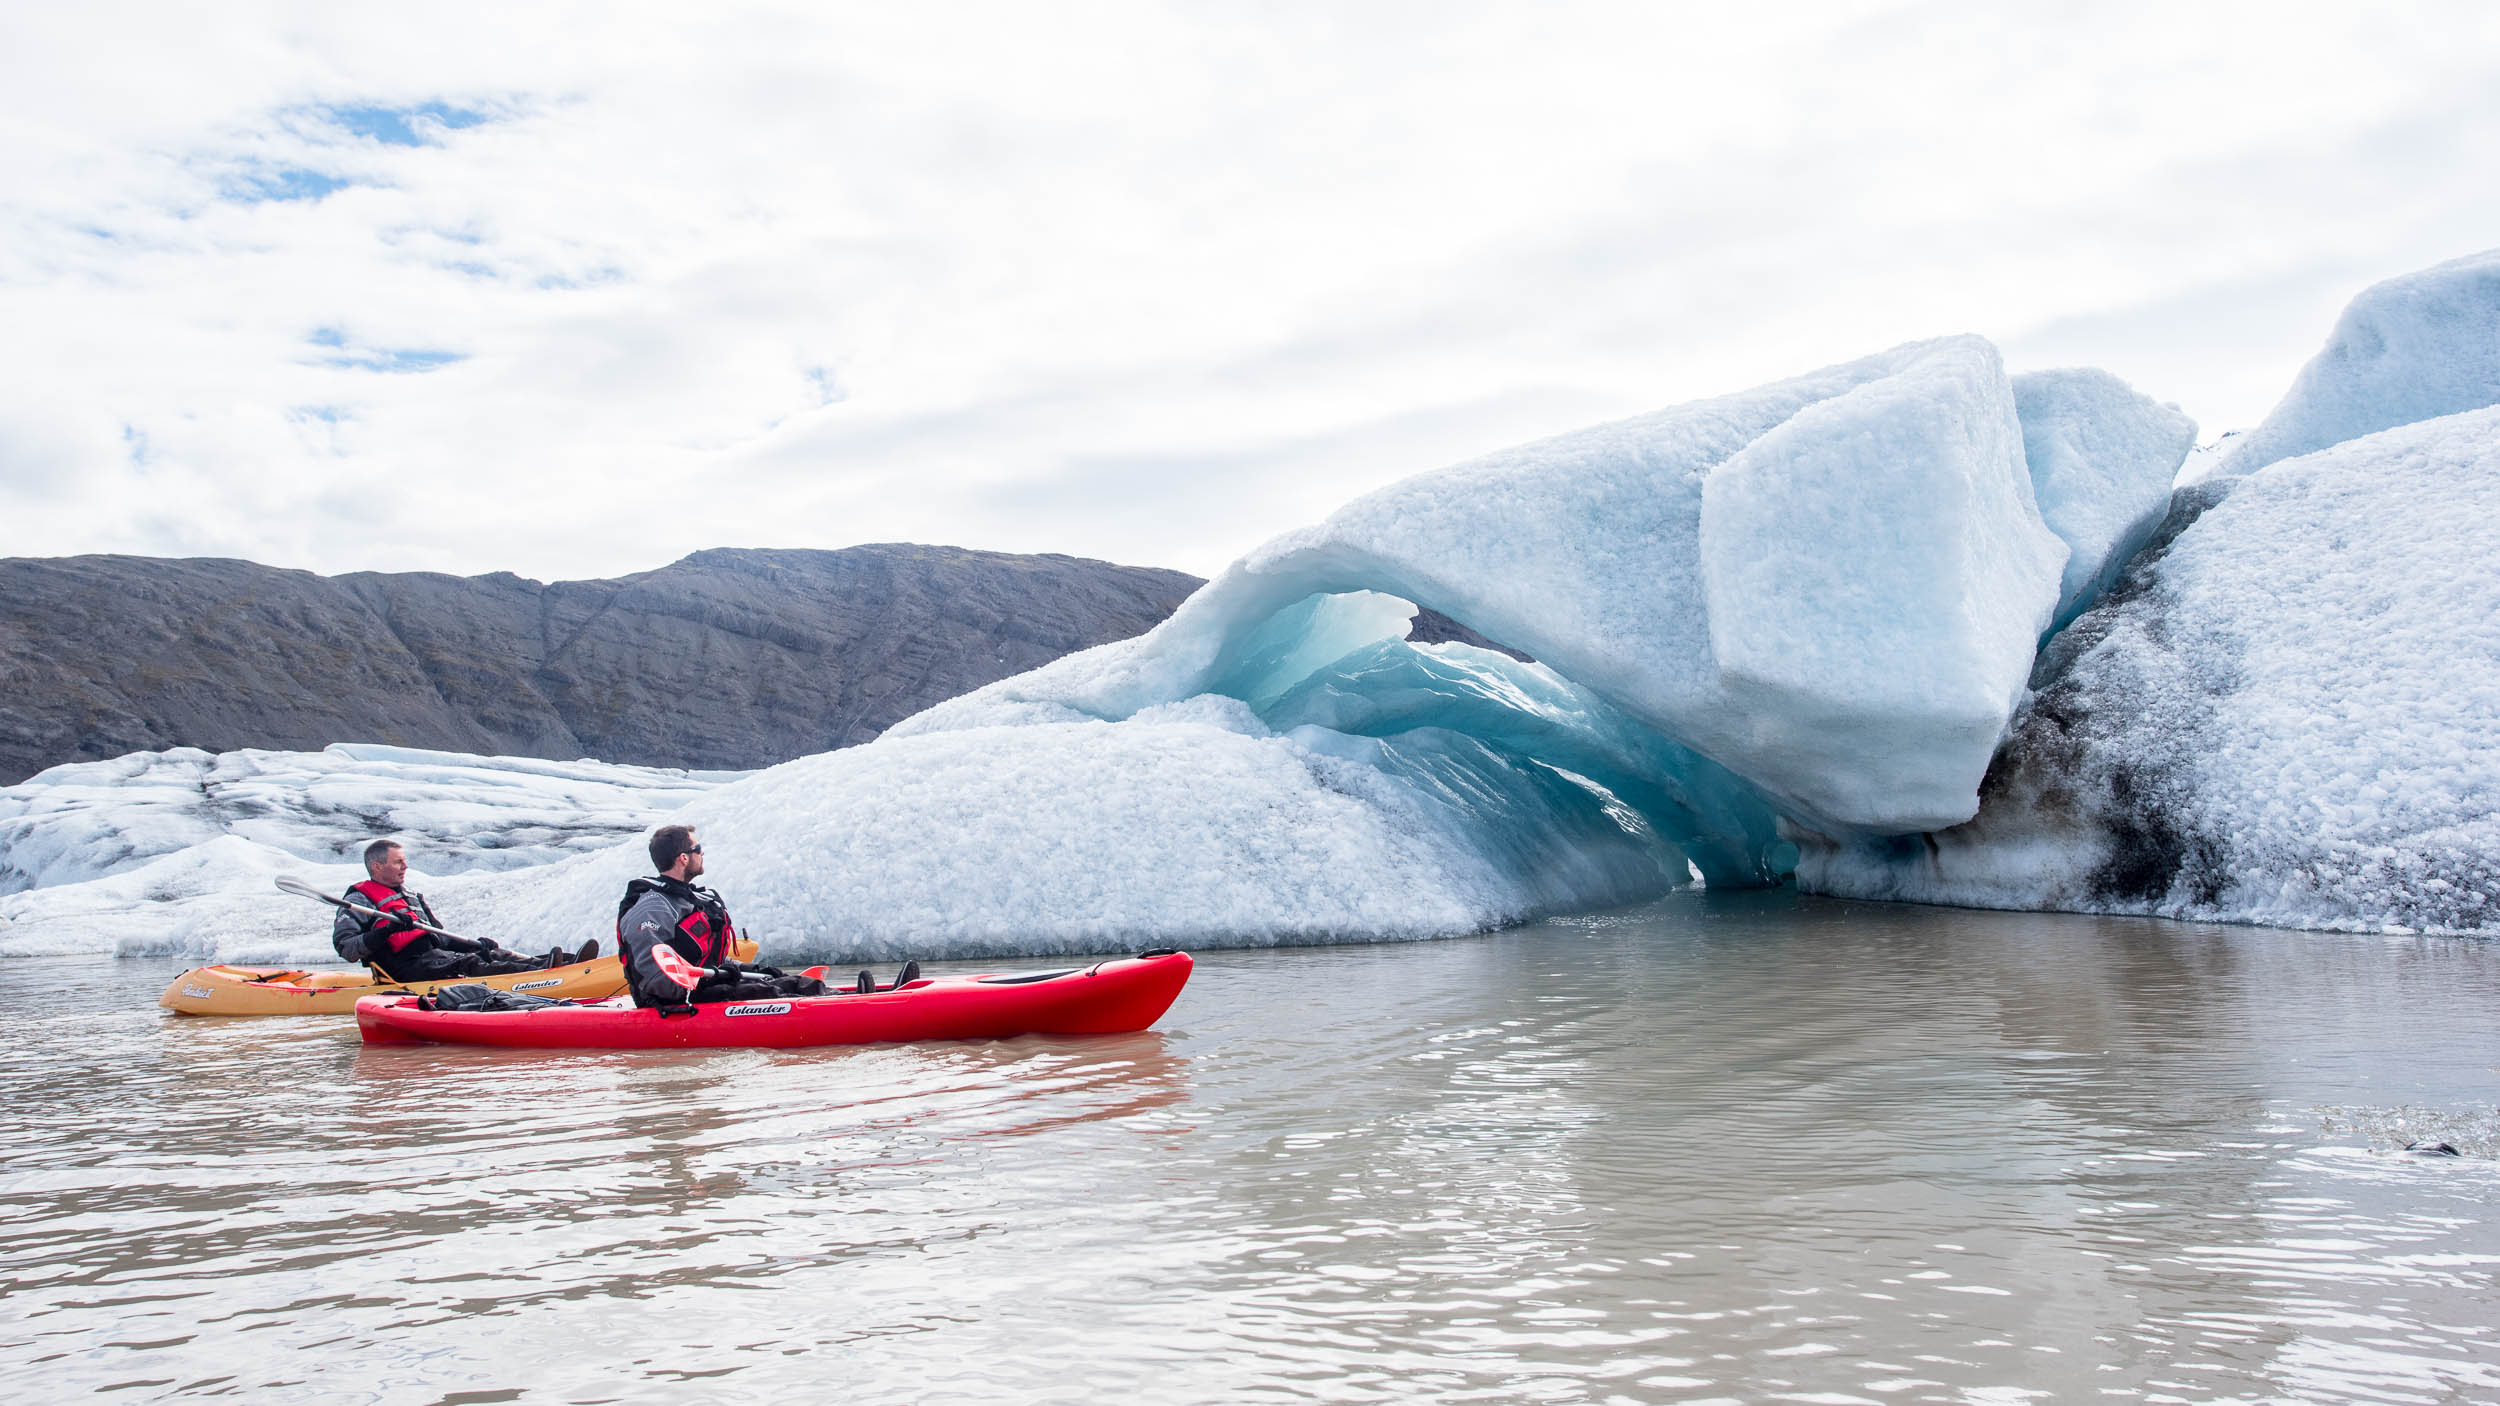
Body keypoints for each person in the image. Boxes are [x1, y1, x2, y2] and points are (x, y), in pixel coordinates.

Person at [616, 825, 867, 1007]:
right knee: (764, 991)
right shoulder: (653, 908)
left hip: (703, 983)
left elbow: (705, 956)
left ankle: (858, 997)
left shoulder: (686, 899)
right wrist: (694, 988)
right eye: (698, 849)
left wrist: (733, 969)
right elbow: (653, 974)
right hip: (675, 1000)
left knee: (774, 976)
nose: (703, 854)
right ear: (683, 858)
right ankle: (859, 1007)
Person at [336, 839, 594, 981]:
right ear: (377, 867)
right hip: (401, 968)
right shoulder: (359, 900)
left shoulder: (411, 897)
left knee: (489, 953)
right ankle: (543, 974)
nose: (405, 867)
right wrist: (387, 930)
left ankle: (565, 963)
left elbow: (437, 938)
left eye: (404, 861)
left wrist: (474, 944)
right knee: (468, 964)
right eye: (398, 863)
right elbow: (347, 949)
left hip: (431, 957)